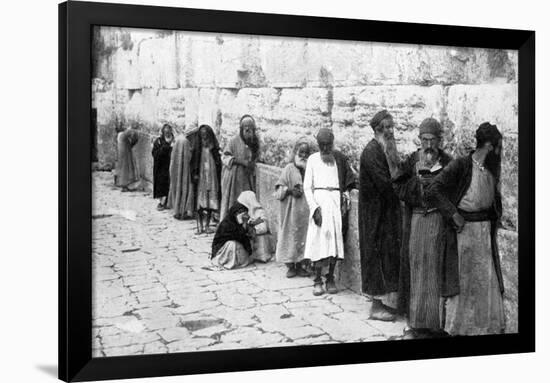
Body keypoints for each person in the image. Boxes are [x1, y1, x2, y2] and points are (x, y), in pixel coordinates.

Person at [426, 122, 505, 336]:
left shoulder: (491, 169)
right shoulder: (461, 165)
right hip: (463, 234)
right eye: (497, 148)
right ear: (488, 146)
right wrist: (453, 215)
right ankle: (458, 330)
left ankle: (482, 330)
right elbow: (434, 190)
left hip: (484, 235)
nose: (499, 153)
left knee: (484, 282)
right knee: (462, 283)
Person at [393, 118, 453, 338]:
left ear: (440, 140)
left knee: (436, 270)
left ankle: (435, 326)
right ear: (419, 139)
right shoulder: (411, 160)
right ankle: (415, 324)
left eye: (433, 140)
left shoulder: (448, 162)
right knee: (416, 269)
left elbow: (456, 190)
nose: (428, 145)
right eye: (424, 139)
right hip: (417, 222)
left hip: (438, 223)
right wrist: (417, 185)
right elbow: (397, 186)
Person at [358, 110, 402, 321]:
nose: (390, 131)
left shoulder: (386, 149)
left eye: (391, 127)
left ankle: (387, 303)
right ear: (377, 130)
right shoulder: (371, 152)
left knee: (387, 256)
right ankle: (375, 307)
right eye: (386, 128)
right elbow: (386, 184)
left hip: (386, 214)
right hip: (374, 216)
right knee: (375, 256)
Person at [303, 128, 356, 296]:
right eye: (322, 146)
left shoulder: (338, 159)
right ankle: (317, 280)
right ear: (318, 145)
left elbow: (348, 181)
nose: (325, 149)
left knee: (334, 241)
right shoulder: (312, 160)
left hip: (334, 204)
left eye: (328, 145)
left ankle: (330, 278)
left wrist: (344, 197)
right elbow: (307, 187)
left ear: (332, 144)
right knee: (319, 241)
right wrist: (314, 208)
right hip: (319, 204)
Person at [274, 137, 315, 278]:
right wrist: (290, 191)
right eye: (301, 152)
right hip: (291, 213)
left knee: (304, 237)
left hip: (305, 212)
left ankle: (301, 265)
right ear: (295, 152)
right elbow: (278, 191)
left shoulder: (310, 169)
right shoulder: (289, 169)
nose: (303, 156)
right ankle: (291, 266)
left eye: (306, 153)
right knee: (290, 238)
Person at [219, 115, 260, 219]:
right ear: (241, 129)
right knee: (233, 202)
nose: (247, 130)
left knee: (246, 203)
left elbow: (257, 157)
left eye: (250, 128)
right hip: (234, 178)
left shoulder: (254, 142)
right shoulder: (233, 141)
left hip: (247, 179)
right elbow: (225, 157)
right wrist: (242, 162)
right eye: (245, 127)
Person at [190, 124, 222, 234]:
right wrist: (194, 173)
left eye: (206, 134)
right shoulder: (197, 147)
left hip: (211, 178)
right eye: (202, 134)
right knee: (199, 203)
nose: (204, 136)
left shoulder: (213, 147)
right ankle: (199, 226)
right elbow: (193, 162)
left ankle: (207, 225)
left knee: (210, 203)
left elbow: (218, 162)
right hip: (200, 178)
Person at [211, 201, 254, 270]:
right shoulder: (226, 224)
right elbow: (237, 236)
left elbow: (244, 237)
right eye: (240, 214)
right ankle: (227, 262)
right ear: (235, 214)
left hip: (236, 246)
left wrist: (245, 226)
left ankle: (238, 261)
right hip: (222, 248)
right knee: (233, 244)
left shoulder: (239, 223)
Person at [237, 191, 274, 263]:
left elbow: (263, 228)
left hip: (258, 235)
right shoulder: (243, 212)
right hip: (250, 235)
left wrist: (251, 228)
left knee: (260, 238)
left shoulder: (259, 212)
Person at [167, 129, 195, 220]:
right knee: (185, 190)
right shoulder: (186, 142)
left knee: (177, 189)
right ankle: (183, 212)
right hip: (185, 170)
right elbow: (189, 157)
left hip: (175, 169)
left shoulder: (177, 140)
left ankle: (177, 211)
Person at [152, 124, 174, 210]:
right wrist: (166, 147)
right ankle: (162, 202)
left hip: (171, 165)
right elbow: (155, 153)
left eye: (169, 131)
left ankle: (168, 202)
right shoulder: (158, 141)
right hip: (161, 167)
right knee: (161, 184)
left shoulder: (174, 140)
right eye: (165, 132)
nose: (167, 133)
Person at [115, 123, 140, 191]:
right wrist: (132, 144)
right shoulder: (125, 133)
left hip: (122, 153)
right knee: (126, 168)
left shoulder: (119, 135)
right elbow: (136, 135)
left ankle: (124, 185)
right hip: (126, 152)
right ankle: (125, 186)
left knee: (123, 168)